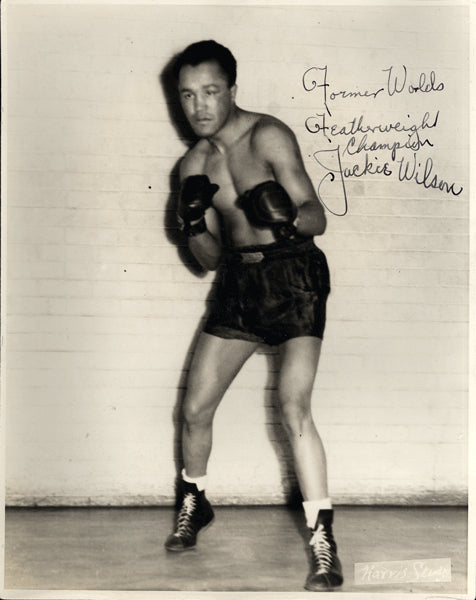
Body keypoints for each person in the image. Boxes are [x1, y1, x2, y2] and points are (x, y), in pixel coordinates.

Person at [164, 39, 343, 592]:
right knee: (194, 409)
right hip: (238, 283)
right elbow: (209, 261)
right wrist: (193, 225)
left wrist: (287, 219)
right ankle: (195, 499)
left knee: (293, 406)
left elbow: (318, 216)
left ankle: (323, 542)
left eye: (210, 91)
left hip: (293, 274)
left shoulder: (268, 135)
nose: (199, 106)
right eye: (188, 95)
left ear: (232, 90)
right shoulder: (192, 164)